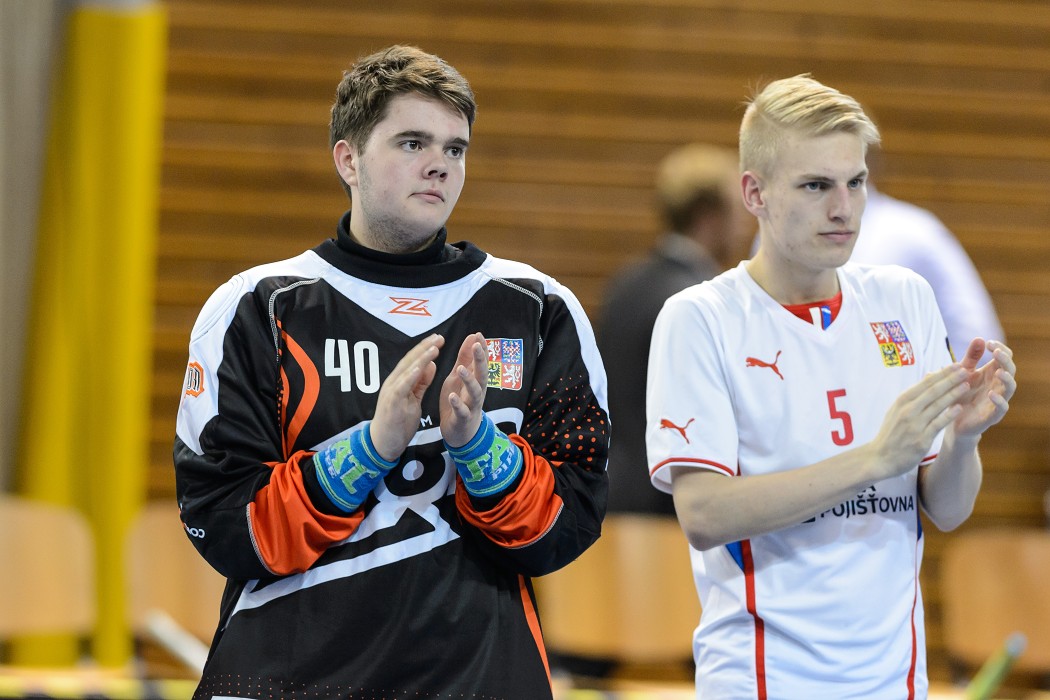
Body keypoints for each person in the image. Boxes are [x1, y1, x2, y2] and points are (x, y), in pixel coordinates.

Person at [173, 45, 609, 699]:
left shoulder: (539, 309)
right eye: (412, 142)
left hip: (479, 678)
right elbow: (224, 522)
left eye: (456, 149)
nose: (439, 163)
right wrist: (372, 448)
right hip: (285, 676)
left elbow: (568, 524)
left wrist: (479, 447)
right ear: (348, 159)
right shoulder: (258, 305)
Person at [645, 74, 1016, 699]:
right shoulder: (700, 317)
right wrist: (874, 459)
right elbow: (704, 514)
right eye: (816, 186)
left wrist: (965, 438)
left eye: (856, 182)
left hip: (896, 681)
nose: (844, 208)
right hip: (763, 680)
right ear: (754, 193)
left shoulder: (904, 299)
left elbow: (947, 509)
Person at [597, 143, 749, 515]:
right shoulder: (700, 301)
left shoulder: (627, 283)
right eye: (737, 208)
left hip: (614, 489)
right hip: (671, 501)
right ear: (709, 215)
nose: (747, 222)